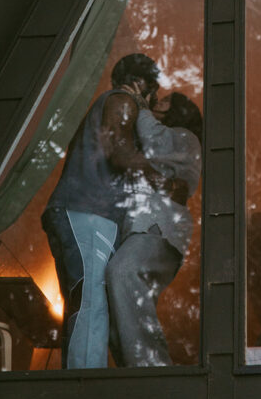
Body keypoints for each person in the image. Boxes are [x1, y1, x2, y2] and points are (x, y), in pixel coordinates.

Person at [41, 54, 180, 369]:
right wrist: (161, 180)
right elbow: (120, 152)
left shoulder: (106, 105)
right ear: (140, 83)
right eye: (154, 91)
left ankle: (84, 381)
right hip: (87, 214)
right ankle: (85, 390)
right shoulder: (121, 100)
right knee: (91, 303)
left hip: (79, 214)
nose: (153, 101)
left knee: (86, 303)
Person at [107, 89, 202, 367]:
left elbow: (155, 141)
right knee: (121, 301)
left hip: (163, 228)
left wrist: (138, 103)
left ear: (180, 112)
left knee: (123, 272)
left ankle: (154, 368)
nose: (158, 101)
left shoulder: (186, 138)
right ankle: (137, 374)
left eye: (166, 101)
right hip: (149, 227)